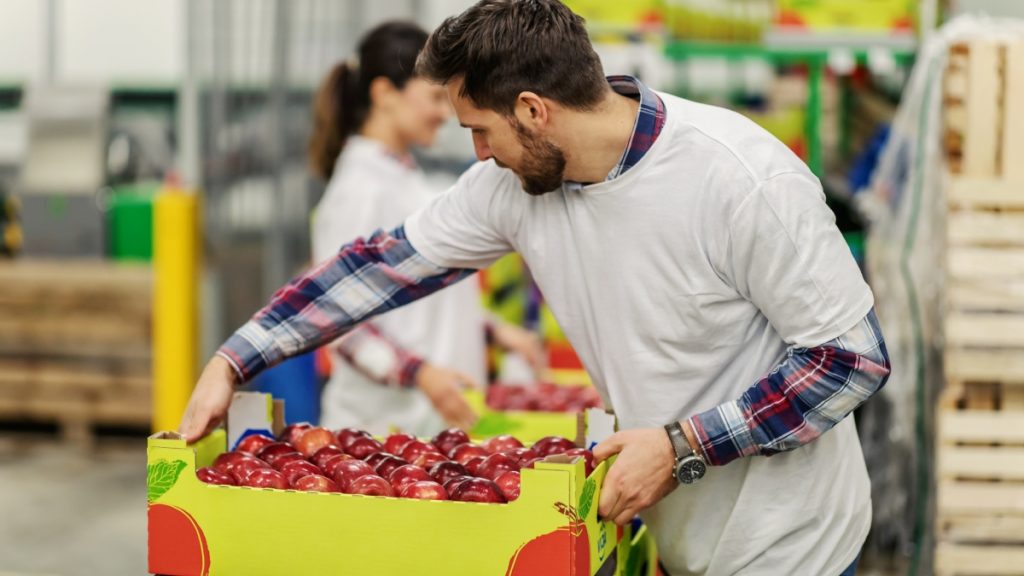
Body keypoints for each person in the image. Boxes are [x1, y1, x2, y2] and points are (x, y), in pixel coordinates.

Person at [180, 2, 890, 574]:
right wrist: (236, 358)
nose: (477, 153)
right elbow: (380, 266)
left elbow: (850, 359)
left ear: (533, 110)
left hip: (793, 545)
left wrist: (681, 447)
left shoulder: (738, 178)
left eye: (481, 130)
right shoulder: (509, 187)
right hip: (677, 534)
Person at [306, 21, 543, 436]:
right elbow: (340, 321)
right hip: (379, 434)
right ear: (384, 95)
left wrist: (491, 329)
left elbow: (416, 296)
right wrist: (421, 374)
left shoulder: (404, 177)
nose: (444, 112)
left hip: (424, 427)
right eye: (434, 97)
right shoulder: (359, 190)